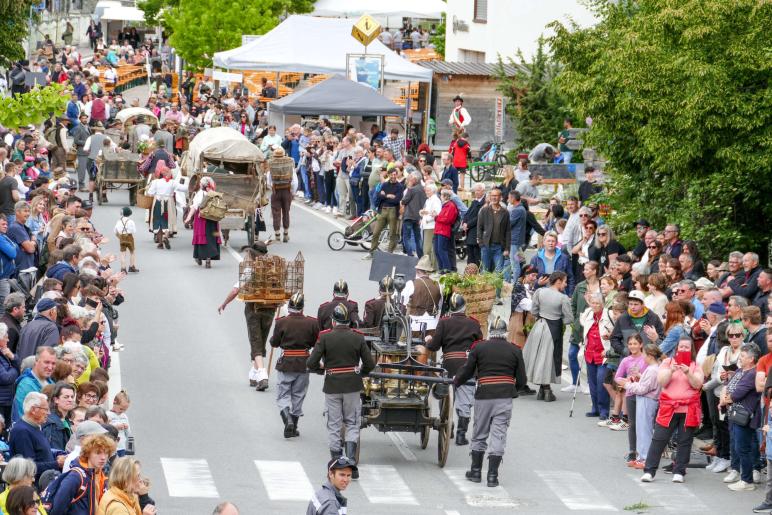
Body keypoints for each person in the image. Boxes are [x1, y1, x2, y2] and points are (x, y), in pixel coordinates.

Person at [454, 317, 527, 487]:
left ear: (490, 333)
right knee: (499, 435)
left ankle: (476, 472)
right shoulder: (515, 350)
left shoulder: (479, 348)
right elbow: (522, 380)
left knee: (479, 433)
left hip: (484, 396)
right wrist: (512, 390)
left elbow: (467, 371)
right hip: (504, 398)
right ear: (505, 333)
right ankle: (493, 476)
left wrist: (456, 381)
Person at [307, 304, 375, 480]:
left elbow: (311, 363)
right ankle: (351, 460)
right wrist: (361, 373)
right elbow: (370, 363)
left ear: (333, 321)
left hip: (332, 386)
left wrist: (322, 370)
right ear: (349, 322)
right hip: (352, 386)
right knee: (352, 422)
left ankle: (337, 462)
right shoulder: (358, 337)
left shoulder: (325, 337)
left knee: (334, 424)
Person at [640, 336, 704, 483]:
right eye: (681, 346)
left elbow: (697, 384)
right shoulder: (667, 362)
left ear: (691, 350)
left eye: (687, 347)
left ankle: (679, 471)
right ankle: (649, 471)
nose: (683, 349)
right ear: (677, 348)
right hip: (668, 407)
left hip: (688, 409)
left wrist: (688, 372)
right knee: (659, 439)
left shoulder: (695, 365)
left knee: (685, 441)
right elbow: (662, 382)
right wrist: (671, 370)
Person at [425, 293, 483, 446]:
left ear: (450, 309)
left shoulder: (444, 322)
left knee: (445, 396)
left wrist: (428, 341)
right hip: (467, 366)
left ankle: (447, 425)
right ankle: (461, 435)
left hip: (449, 365)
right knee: (465, 400)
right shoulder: (474, 323)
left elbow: (434, 346)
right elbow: (479, 346)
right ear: (464, 307)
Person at [218, 242, 276, 392]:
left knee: (255, 341)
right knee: (261, 340)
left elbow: (235, 290)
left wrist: (224, 303)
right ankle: (254, 374)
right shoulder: (274, 268)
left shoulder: (251, 270)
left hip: (254, 309)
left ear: (252, 254)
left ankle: (262, 375)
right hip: (270, 309)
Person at [270, 292, 319, 439]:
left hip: (286, 362)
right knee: (298, 394)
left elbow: (274, 343)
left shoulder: (281, 322)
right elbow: (315, 343)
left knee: (283, 394)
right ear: (302, 307)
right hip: (304, 362)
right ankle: (293, 426)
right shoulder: (312, 322)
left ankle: (288, 421)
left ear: (289, 306)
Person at [523, 272, 573, 401]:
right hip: (553, 329)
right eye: (565, 281)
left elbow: (534, 311)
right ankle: (546, 390)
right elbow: (569, 319)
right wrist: (559, 317)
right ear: (558, 281)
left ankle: (543, 389)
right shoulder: (563, 298)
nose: (566, 284)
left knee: (537, 357)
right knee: (548, 359)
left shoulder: (539, 292)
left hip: (539, 326)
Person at [720, 343, 762, 491]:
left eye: (743, 356)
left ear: (751, 359)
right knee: (738, 446)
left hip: (744, 416)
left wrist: (726, 398)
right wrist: (725, 397)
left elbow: (736, 395)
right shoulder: (739, 371)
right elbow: (727, 385)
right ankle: (743, 476)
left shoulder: (752, 374)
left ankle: (747, 481)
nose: (740, 358)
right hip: (735, 414)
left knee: (743, 448)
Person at [48, 433, 115, 515]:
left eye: (106, 453)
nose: (103, 457)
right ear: (88, 453)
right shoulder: (75, 477)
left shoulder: (102, 476)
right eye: (98, 453)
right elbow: (57, 510)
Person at [622, 344, 663, 469]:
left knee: (644, 429)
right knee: (641, 428)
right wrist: (640, 377)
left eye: (644, 354)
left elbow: (643, 389)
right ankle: (641, 457)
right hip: (647, 399)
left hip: (647, 400)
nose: (643, 356)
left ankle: (645, 458)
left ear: (650, 356)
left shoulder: (652, 370)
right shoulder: (654, 368)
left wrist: (628, 385)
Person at [9, 392, 63, 480]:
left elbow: (41, 455)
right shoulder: (22, 431)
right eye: (46, 409)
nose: (49, 413)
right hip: (31, 485)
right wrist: (57, 464)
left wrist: (58, 456)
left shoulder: (35, 427)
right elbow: (28, 467)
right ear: (34, 410)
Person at [184, 177, 221, 268]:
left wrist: (188, 217)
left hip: (202, 219)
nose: (199, 184)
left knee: (201, 235)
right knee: (211, 237)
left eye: (200, 183)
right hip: (212, 219)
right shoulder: (214, 193)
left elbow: (195, 207)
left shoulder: (200, 193)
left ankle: (199, 257)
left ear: (203, 185)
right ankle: (208, 259)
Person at [12, 346, 56, 423]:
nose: (50, 367)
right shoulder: (25, 384)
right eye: (46, 362)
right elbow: (22, 416)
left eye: (53, 363)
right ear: (36, 361)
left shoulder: (51, 383)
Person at [368, 168, 404, 259]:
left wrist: (385, 195)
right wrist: (388, 196)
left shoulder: (399, 186)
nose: (393, 176)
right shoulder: (384, 184)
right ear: (388, 175)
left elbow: (397, 200)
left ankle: (389, 253)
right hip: (382, 210)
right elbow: (379, 196)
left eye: (395, 174)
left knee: (392, 234)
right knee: (376, 232)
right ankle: (372, 252)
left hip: (393, 211)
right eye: (392, 174)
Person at [146, 162, 182, 249]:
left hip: (158, 202)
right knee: (168, 220)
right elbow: (182, 188)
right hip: (168, 203)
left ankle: (160, 243)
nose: (171, 173)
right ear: (166, 173)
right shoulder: (172, 182)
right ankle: (165, 236)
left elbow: (150, 193)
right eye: (169, 172)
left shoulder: (155, 182)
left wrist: (149, 189)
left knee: (158, 222)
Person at [266, 148, 297, 243]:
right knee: (286, 212)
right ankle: (286, 234)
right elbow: (295, 182)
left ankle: (277, 235)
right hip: (287, 191)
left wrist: (273, 188)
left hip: (276, 191)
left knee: (276, 213)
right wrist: (292, 192)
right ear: (284, 155)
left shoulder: (271, 164)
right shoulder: (290, 164)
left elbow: (268, 182)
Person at [477, 188, 510, 276]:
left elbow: (507, 231)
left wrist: (507, 248)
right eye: (492, 196)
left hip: (499, 247)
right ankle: (485, 286)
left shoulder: (505, 212)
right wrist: (481, 243)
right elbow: (479, 227)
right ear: (490, 197)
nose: (494, 198)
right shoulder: (484, 210)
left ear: (500, 197)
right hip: (486, 246)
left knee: (499, 272)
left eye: (496, 196)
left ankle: (497, 286)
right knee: (485, 271)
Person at [42, 382, 76, 452]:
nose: (70, 400)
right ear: (56, 400)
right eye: (66, 397)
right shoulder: (52, 424)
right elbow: (56, 452)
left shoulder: (66, 420)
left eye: (72, 397)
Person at [400, 172, 426, 258]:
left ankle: (410, 255)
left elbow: (404, 201)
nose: (409, 179)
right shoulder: (424, 189)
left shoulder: (412, 189)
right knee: (418, 237)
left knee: (406, 237)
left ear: (414, 179)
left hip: (409, 215)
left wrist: (409, 187)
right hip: (419, 216)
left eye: (411, 178)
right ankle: (420, 256)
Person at [433, 189, 458, 274]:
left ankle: (446, 269)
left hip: (444, 231)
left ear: (445, 196)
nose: (440, 196)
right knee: (437, 250)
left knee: (442, 250)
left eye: (441, 195)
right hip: (439, 230)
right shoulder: (445, 205)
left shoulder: (451, 206)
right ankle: (441, 268)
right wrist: (437, 217)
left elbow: (448, 219)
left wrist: (436, 217)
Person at [462, 183, 485, 266]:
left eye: (478, 190)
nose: (476, 192)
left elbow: (479, 217)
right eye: (475, 190)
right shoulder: (475, 201)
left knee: (476, 254)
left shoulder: (484, 202)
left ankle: (476, 271)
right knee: (470, 253)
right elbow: (467, 213)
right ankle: (470, 270)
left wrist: (468, 225)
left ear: (483, 191)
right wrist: (464, 222)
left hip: (476, 230)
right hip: (470, 231)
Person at [114, 207, 138, 274]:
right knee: (132, 252)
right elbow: (134, 231)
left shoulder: (119, 221)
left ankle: (123, 268)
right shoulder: (131, 221)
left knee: (123, 253)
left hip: (122, 237)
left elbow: (115, 231)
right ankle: (131, 266)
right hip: (129, 237)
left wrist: (119, 237)